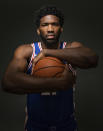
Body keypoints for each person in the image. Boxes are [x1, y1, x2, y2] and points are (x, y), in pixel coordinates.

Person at [2, 5, 98, 131]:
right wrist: (58, 83)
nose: (50, 29)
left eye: (55, 24)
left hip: (66, 125)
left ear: (61, 28)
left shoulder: (71, 48)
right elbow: (8, 82)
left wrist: (49, 53)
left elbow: (92, 59)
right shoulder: (27, 51)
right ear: (38, 30)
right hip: (35, 126)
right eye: (45, 25)